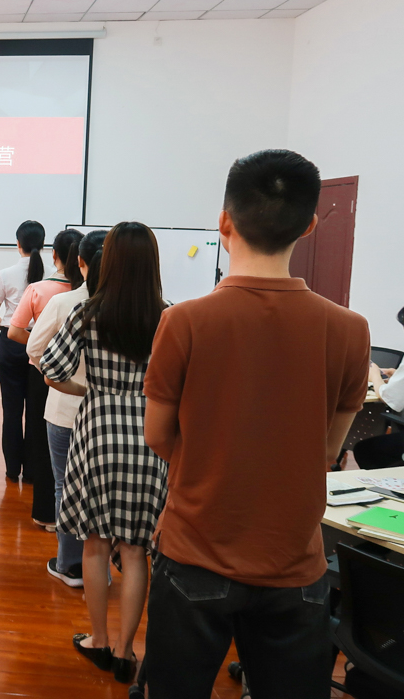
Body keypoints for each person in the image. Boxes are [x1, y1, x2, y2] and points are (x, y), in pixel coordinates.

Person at [143, 150, 371, 699]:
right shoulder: (349, 330)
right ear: (311, 225)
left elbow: (157, 436)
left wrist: (212, 461)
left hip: (195, 550)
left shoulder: (183, 322)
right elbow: (327, 449)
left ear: (224, 224)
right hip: (294, 563)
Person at [41, 221, 168, 684]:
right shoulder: (168, 315)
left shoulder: (87, 312)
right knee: (136, 551)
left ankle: (98, 639)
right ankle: (127, 650)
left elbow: (50, 368)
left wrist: (90, 389)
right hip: (149, 435)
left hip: (96, 430)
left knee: (94, 546)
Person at [26, 229, 107, 587]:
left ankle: (70, 564)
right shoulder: (146, 304)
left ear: (79, 262)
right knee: (105, 490)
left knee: (65, 486)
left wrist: (73, 382)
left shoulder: (64, 303)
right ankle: (101, 566)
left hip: (65, 410)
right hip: (117, 416)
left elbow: (34, 351)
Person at [9, 228, 84, 530]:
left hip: (44, 375)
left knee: (42, 441)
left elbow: (15, 332)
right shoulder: (92, 292)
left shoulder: (39, 289)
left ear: (53, 255)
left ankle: (46, 513)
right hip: (84, 377)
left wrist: (47, 344)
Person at [0, 220, 46, 480]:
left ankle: (12, 470)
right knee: (37, 411)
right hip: (41, 345)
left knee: (11, 410)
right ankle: (33, 471)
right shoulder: (54, 274)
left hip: (10, 343)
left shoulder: (6, 274)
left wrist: (8, 329)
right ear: (44, 246)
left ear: (18, 244)